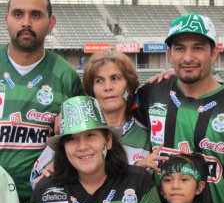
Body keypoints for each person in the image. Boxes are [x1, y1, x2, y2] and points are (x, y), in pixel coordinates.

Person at [135, 13, 224, 203]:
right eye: (179, 48)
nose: (187, 57)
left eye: (198, 48)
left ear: (214, 53)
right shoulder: (151, 93)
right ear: (169, 53)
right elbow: (115, 120)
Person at [0, 0, 83, 203]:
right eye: (18, 14)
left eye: (36, 15)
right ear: (6, 20)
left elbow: (83, 139)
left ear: (51, 22)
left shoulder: (66, 76)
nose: (26, 22)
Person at [30, 51, 166, 187]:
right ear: (92, 90)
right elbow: (35, 179)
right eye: (99, 81)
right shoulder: (75, 127)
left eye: (115, 78)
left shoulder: (147, 135)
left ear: (129, 86)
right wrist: (61, 173)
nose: (108, 87)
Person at [26, 96, 166, 203]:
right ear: (63, 147)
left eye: (90, 135)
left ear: (109, 140)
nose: (82, 147)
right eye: (72, 139)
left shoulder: (139, 182)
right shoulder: (45, 190)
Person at [159, 153, 223, 203]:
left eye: (184, 180)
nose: (175, 186)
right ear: (161, 188)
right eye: (168, 180)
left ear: (199, 187)